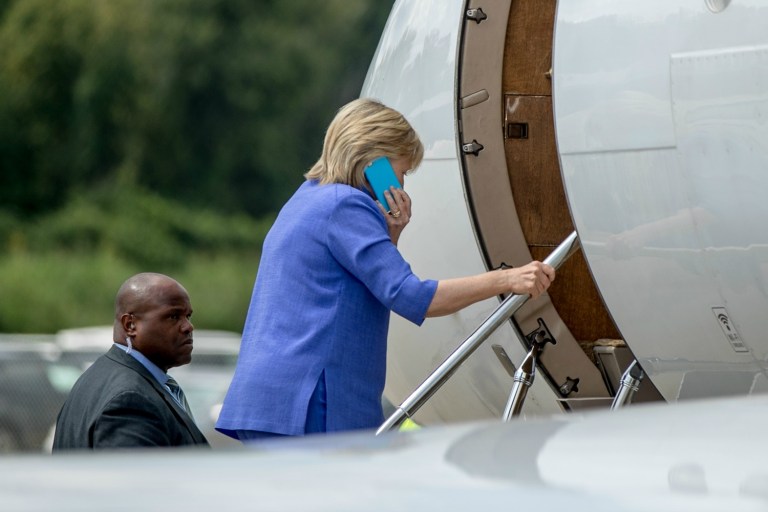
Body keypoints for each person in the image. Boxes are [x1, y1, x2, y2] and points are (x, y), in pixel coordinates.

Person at [215, 98, 555, 441]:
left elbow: (349, 286)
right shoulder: (348, 205)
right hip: (311, 399)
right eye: (402, 171)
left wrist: (390, 235)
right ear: (373, 162)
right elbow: (413, 297)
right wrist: (507, 278)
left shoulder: (307, 199)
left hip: (274, 399)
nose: (402, 185)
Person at [52, 272, 209, 450]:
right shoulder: (130, 400)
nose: (188, 327)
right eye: (174, 316)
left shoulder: (104, 376)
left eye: (188, 316)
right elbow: (135, 477)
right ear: (130, 325)